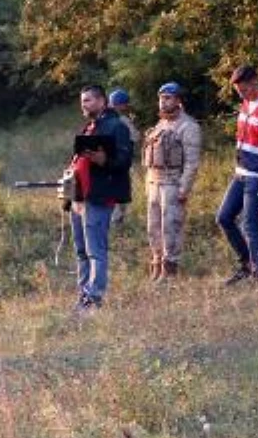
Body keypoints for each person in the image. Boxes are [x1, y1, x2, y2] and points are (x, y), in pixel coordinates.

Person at [66, 86, 133, 310]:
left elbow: (124, 162)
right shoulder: (89, 127)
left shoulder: (117, 126)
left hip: (99, 196)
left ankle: (94, 298)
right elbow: (78, 161)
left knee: (96, 250)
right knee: (81, 251)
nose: (83, 105)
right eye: (82, 101)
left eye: (88, 100)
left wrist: (104, 160)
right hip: (80, 197)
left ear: (102, 101)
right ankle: (83, 295)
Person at [217, 66, 258, 285]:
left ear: (255, 81)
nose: (242, 95)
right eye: (238, 92)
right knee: (224, 217)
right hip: (242, 174)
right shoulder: (246, 104)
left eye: (244, 90)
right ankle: (246, 263)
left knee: (250, 222)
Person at [142, 82, 202, 279]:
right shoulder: (160, 125)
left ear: (178, 100)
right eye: (161, 98)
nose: (163, 102)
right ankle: (156, 264)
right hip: (153, 183)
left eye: (168, 98)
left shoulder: (188, 126)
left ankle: (170, 271)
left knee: (171, 227)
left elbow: (192, 163)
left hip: (172, 183)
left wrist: (184, 189)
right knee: (153, 228)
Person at [109, 89, 140, 225]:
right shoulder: (122, 120)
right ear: (121, 105)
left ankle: (113, 220)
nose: (127, 107)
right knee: (119, 192)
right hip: (120, 162)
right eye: (125, 104)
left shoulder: (101, 118)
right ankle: (116, 221)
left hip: (105, 162)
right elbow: (135, 137)